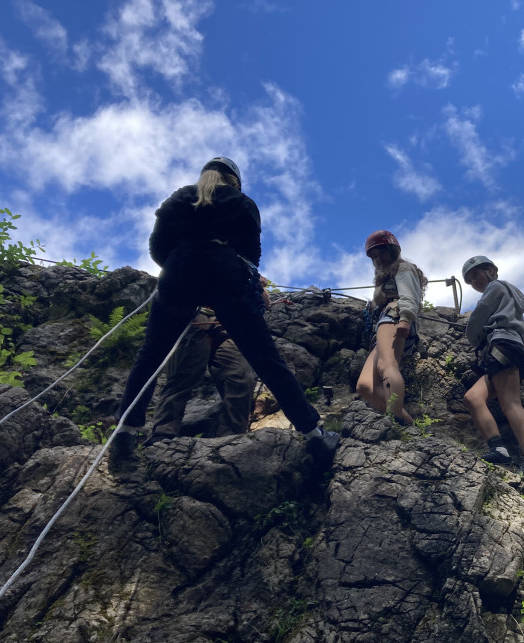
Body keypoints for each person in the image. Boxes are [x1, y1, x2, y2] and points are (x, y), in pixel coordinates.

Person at [111, 157, 339, 465]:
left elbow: (157, 246)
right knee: (266, 359)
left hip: (179, 270)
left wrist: (181, 265)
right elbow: (251, 256)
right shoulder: (240, 201)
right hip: (225, 273)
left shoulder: (180, 197)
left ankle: (125, 432)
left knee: (151, 355)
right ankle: (314, 435)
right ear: (234, 181)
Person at [461, 255, 524, 477]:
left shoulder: (496, 287)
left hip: (501, 345)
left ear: (490, 270)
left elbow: (478, 316)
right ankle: (499, 450)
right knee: (473, 398)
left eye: (476, 275)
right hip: (509, 349)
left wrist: (473, 337)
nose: (474, 282)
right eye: (470, 280)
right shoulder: (511, 305)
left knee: (510, 402)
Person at [145, 308, 257, 444]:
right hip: (191, 314)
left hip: (227, 320)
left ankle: (229, 438)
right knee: (182, 378)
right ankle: (163, 433)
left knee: (240, 377)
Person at [356, 230, 427, 425]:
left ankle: (393, 420)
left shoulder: (403, 268)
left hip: (394, 316)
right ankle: (407, 425)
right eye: (374, 257)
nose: (378, 259)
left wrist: (405, 319)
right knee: (365, 386)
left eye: (382, 253)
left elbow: (409, 296)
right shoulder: (384, 277)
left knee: (387, 365)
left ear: (393, 251)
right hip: (385, 321)